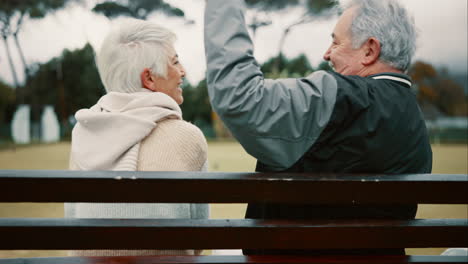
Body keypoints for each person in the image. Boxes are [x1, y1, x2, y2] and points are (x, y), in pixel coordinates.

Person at [204, 0, 432, 255]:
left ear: (369, 51)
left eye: (336, 42)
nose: (326, 54)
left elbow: (238, 97)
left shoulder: (343, 99)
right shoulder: (414, 121)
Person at [65, 19, 208, 256]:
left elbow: (73, 226)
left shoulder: (83, 132)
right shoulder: (187, 137)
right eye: (175, 62)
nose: (183, 71)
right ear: (149, 78)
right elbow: (200, 239)